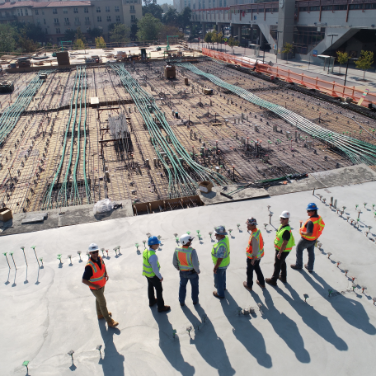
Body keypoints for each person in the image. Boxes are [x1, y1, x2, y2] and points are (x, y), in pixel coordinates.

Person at [82, 243, 119, 328]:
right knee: (103, 303)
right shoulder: (89, 266)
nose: (95, 254)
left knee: (98, 299)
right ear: (90, 253)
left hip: (102, 284)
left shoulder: (100, 258)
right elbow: (84, 280)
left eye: (96, 252)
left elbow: (103, 265)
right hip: (96, 288)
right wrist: (95, 286)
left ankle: (100, 314)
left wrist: (106, 273)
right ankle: (109, 321)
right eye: (93, 252)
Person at [291, 203, 325, 273]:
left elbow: (309, 233)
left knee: (299, 249)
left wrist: (302, 232)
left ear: (313, 211)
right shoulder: (319, 218)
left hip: (306, 240)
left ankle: (299, 265)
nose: (307, 212)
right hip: (314, 239)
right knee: (311, 253)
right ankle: (310, 267)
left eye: (309, 211)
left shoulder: (310, 222)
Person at [265, 211, 295, 286]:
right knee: (282, 262)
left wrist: (280, 253)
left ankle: (273, 280)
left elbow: (284, 243)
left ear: (287, 219)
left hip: (283, 250)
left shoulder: (286, 231)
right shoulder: (283, 226)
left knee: (277, 264)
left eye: (283, 219)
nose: (281, 220)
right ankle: (283, 277)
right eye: (281, 218)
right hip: (282, 249)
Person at [142, 236, 170, 313]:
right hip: (153, 275)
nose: (158, 245)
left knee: (150, 287)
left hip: (147, 274)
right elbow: (155, 269)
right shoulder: (153, 256)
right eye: (157, 243)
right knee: (159, 290)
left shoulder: (145, 251)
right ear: (153, 245)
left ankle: (152, 301)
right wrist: (160, 277)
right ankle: (161, 307)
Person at [172, 233, 200, 306]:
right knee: (194, 287)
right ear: (187, 241)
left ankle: (181, 301)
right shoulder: (192, 251)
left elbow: (174, 262)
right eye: (190, 240)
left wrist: (178, 267)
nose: (191, 241)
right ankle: (195, 300)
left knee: (182, 286)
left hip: (182, 272)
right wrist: (198, 271)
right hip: (192, 273)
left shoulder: (177, 249)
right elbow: (195, 263)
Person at [243, 217, 265, 291]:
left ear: (253, 225)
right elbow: (262, 241)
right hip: (259, 256)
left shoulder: (254, 236)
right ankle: (262, 282)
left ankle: (249, 285)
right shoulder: (257, 231)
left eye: (248, 225)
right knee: (257, 268)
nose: (247, 226)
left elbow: (254, 249)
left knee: (249, 271)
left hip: (253, 257)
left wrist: (253, 259)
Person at [212, 226, 230, 299]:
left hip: (221, 265)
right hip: (225, 263)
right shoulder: (225, 238)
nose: (215, 235)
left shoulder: (222, 245)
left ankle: (220, 293)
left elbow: (220, 258)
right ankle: (223, 287)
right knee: (223, 276)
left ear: (221, 235)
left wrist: (215, 267)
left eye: (216, 234)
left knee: (219, 279)